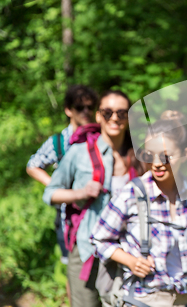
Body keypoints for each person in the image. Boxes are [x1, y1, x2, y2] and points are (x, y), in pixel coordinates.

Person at [91, 117, 187, 307]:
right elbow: (98, 238)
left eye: (166, 156)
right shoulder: (132, 193)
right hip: (142, 299)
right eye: (150, 155)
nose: (157, 164)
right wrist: (131, 261)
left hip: (183, 298)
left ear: (185, 155)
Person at [43, 90, 137, 307]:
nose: (115, 118)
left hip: (126, 252)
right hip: (87, 249)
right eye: (108, 112)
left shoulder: (139, 155)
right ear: (98, 116)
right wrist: (80, 193)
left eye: (122, 113)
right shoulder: (79, 152)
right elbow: (50, 193)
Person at [26, 84, 98, 299]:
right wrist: (55, 187)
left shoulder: (99, 137)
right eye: (79, 107)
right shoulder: (59, 142)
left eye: (90, 107)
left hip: (97, 214)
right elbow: (33, 165)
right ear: (68, 109)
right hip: (69, 218)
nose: (85, 111)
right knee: (72, 268)